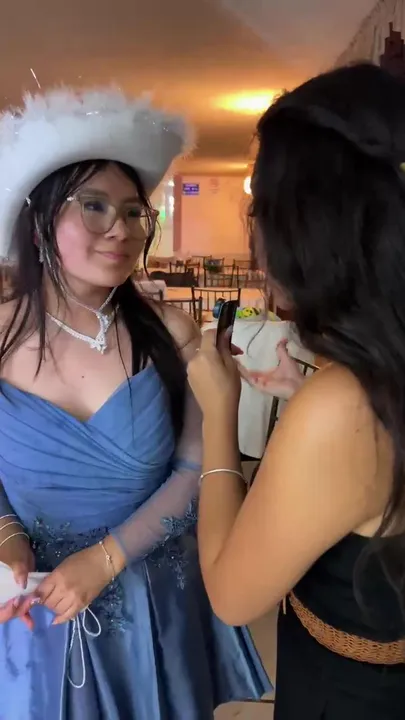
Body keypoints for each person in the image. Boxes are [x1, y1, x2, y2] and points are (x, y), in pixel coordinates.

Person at [0, 88, 270, 719]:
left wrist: (105, 560)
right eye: (94, 206)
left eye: (132, 212)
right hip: (32, 600)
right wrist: (7, 535)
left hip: (149, 595)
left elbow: (198, 470)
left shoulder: (172, 333)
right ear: (39, 223)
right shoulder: (2, 331)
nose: (121, 229)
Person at [188, 63, 405, 719]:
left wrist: (219, 413)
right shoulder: (368, 382)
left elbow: (232, 595)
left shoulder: (343, 405)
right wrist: (305, 389)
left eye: (261, 210)